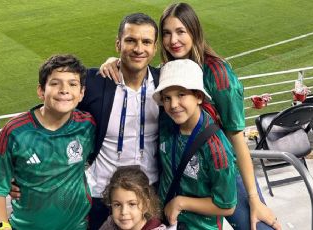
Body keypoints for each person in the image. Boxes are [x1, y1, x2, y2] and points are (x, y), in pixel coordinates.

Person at [99, 3, 281, 229]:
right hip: (179, 169)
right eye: (166, 33)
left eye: (180, 31)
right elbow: (138, 69)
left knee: (257, 223)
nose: (173, 40)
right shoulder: (167, 69)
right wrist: (115, 62)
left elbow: (237, 138)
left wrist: (254, 198)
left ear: (194, 32)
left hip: (221, 168)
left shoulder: (217, 73)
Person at [10, 13, 161, 230]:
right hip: (99, 194)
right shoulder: (94, 81)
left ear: (155, 48)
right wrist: (22, 174)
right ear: (118, 44)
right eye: (130, 40)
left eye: (146, 42)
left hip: (146, 194)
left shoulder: (165, 84)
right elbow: (51, 120)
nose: (138, 49)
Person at [0, 54, 95, 230]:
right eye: (55, 83)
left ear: (81, 93)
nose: (64, 90)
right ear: (41, 91)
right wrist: (1, 227)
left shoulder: (88, 125)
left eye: (72, 84)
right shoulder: (15, 132)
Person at [153, 59, 237, 229]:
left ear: (199, 96)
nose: (173, 105)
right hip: (165, 221)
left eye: (181, 95)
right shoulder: (166, 124)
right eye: (167, 98)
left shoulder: (216, 147)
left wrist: (181, 203)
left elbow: (227, 205)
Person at [100, 166, 166, 230]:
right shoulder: (109, 225)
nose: (124, 212)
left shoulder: (155, 227)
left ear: (145, 205)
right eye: (117, 205)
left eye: (132, 204)